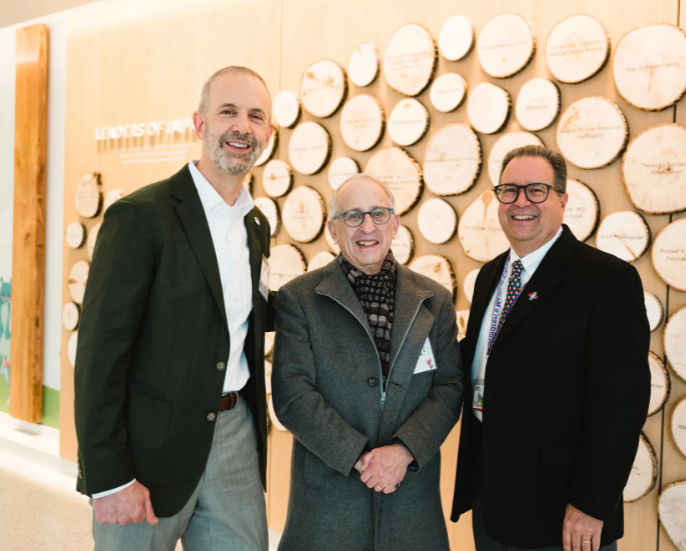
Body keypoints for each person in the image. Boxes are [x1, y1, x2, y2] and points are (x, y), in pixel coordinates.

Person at [74, 66, 276, 551]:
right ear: (200, 123)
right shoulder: (141, 217)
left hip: (234, 438)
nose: (242, 127)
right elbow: (99, 356)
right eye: (228, 111)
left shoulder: (256, 225)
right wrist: (108, 477)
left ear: (269, 133)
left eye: (256, 116)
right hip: (147, 451)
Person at [451, 145, 651, 551]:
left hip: (562, 512)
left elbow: (622, 406)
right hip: (491, 496)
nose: (521, 201)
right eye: (509, 190)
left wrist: (591, 504)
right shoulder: (491, 275)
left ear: (562, 199)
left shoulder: (606, 280)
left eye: (536, 190)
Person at [271, 174, 464, 551]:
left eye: (378, 213)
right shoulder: (300, 298)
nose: (367, 226)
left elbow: (449, 387)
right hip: (327, 502)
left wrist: (403, 451)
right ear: (333, 229)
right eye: (353, 216)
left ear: (394, 223)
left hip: (410, 499)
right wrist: (361, 458)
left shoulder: (434, 299)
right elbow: (293, 395)